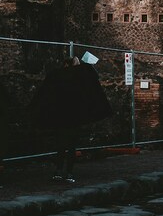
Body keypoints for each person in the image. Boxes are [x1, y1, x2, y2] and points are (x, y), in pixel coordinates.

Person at [29, 53, 112, 183]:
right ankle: (68, 172)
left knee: (61, 146)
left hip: (61, 117)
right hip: (72, 117)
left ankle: (60, 171)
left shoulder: (56, 77)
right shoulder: (76, 78)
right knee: (69, 146)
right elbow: (92, 74)